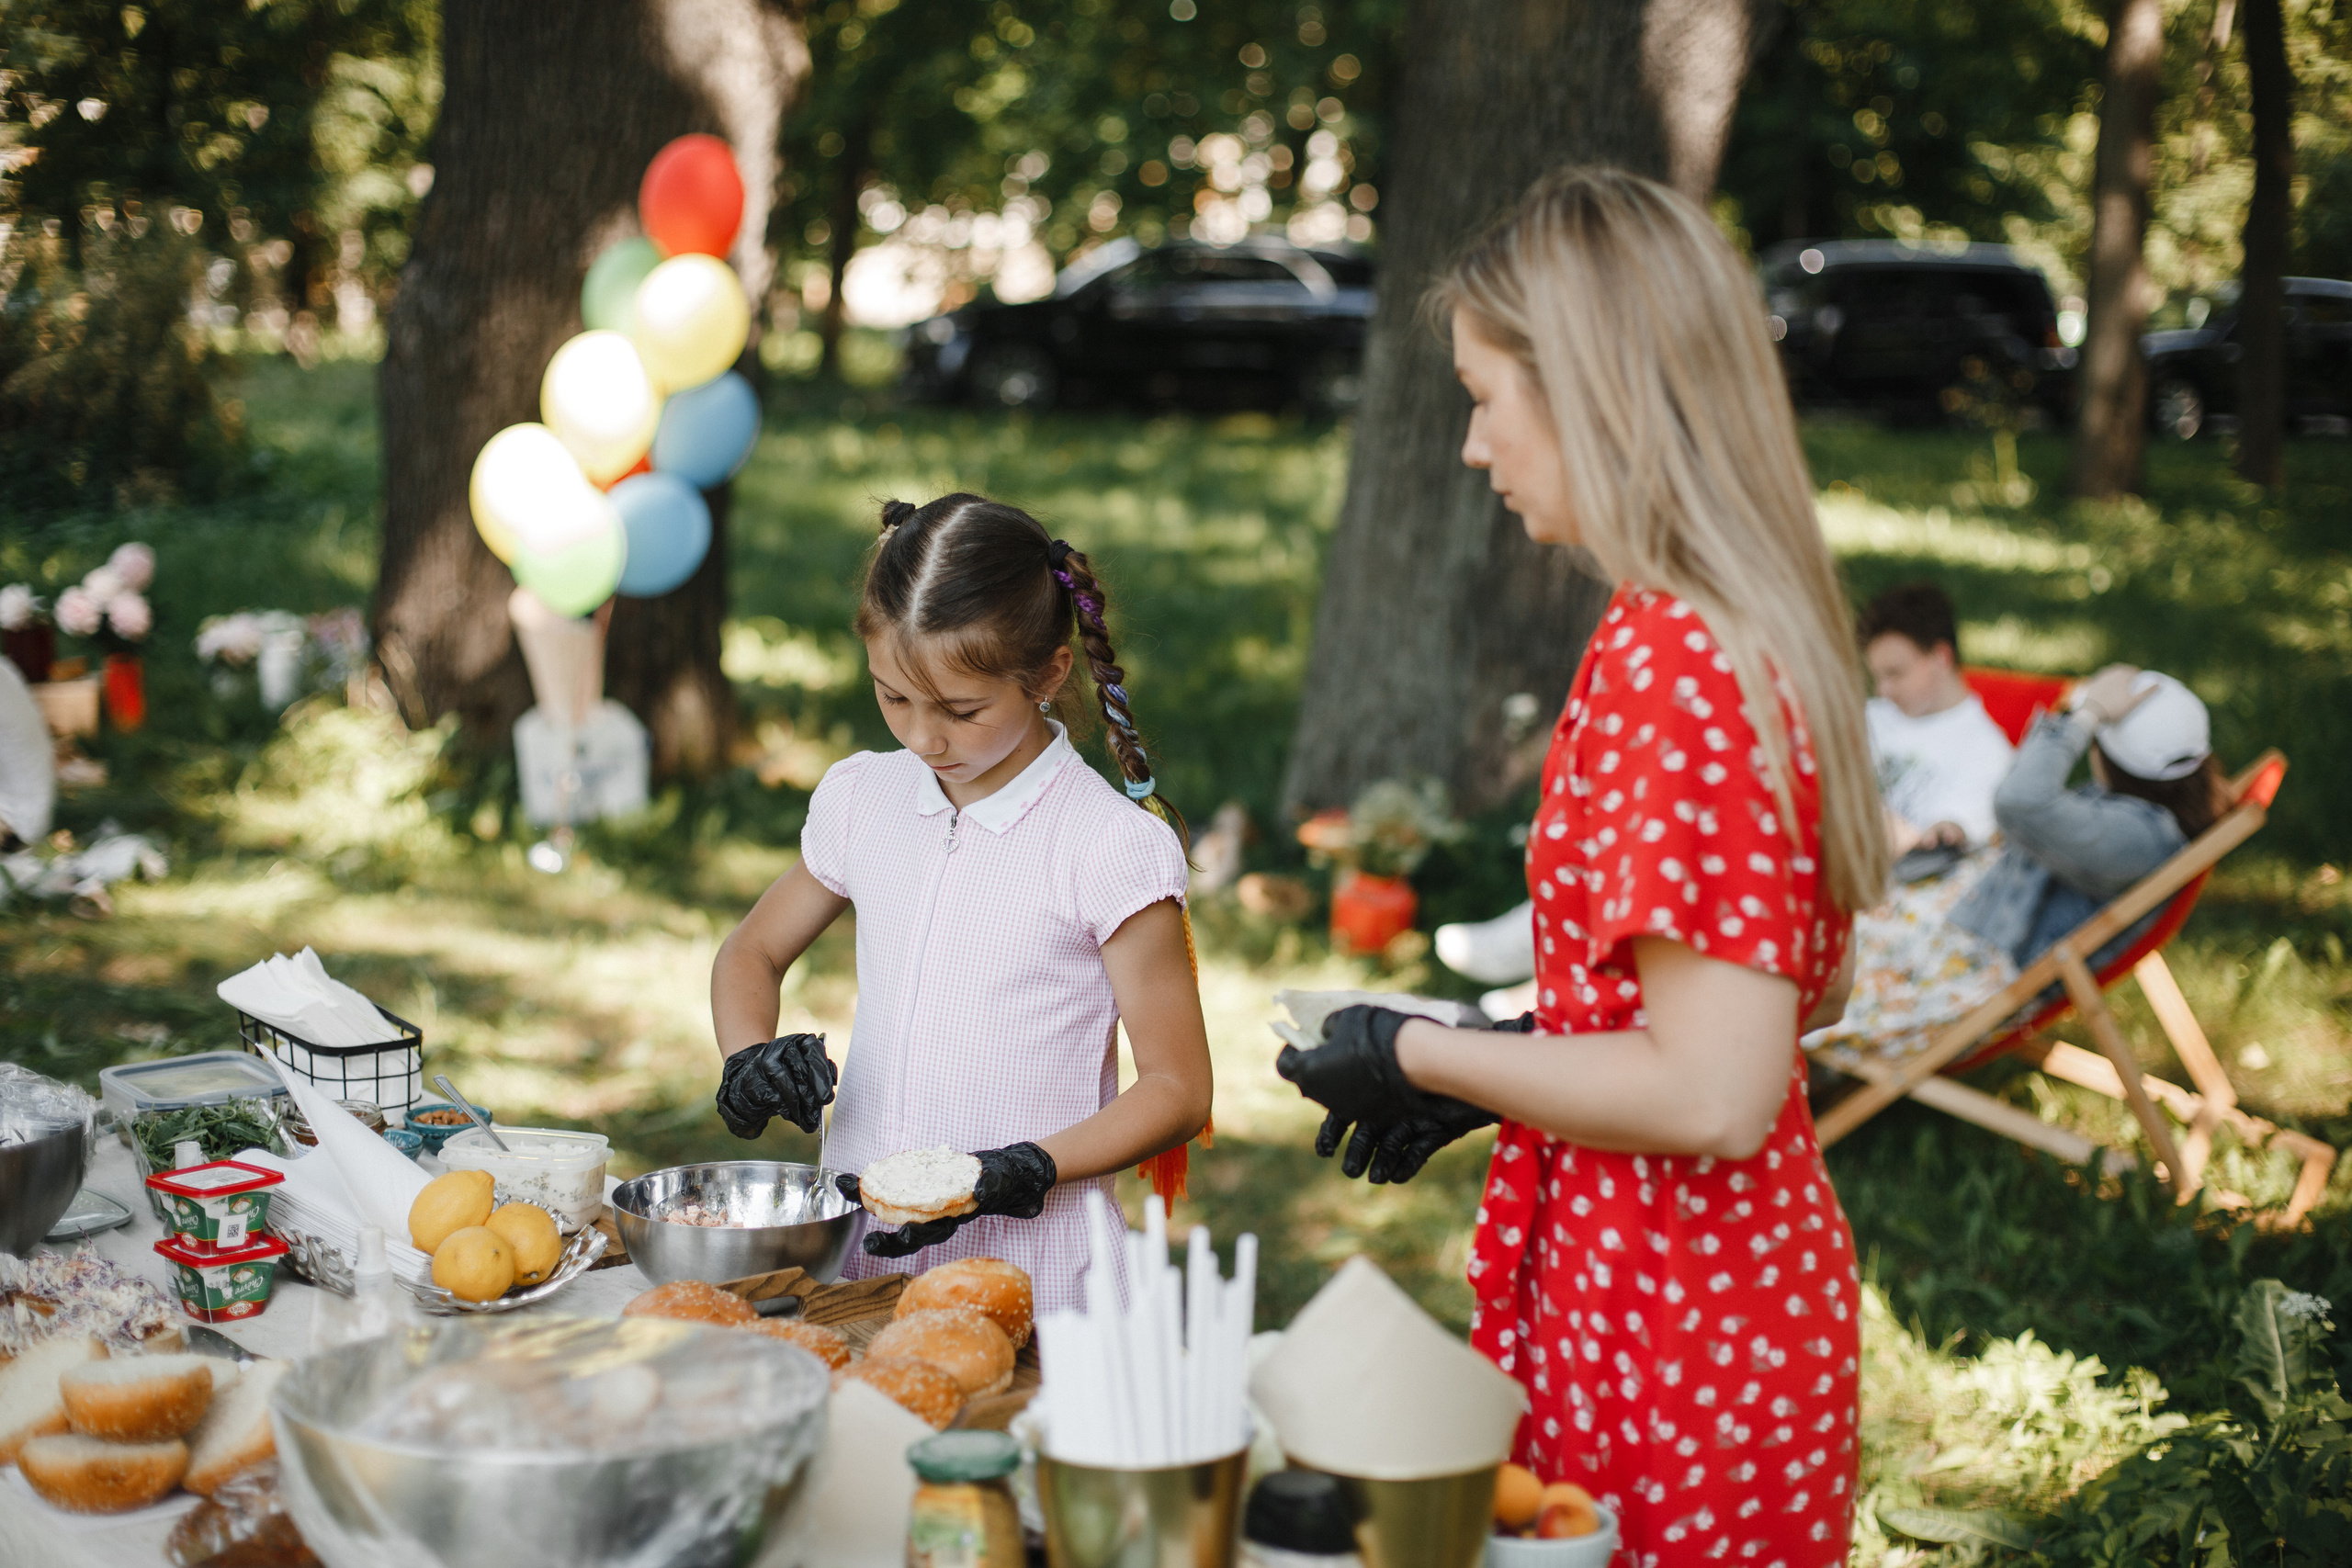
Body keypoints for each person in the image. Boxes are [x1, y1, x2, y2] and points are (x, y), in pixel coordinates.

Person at [1271, 168, 1888, 1568]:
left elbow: (1717, 1091)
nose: (1476, 446)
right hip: (1682, 1301)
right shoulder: (1715, 624)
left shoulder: (1681, 660)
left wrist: (1427, 1051)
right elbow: (1785, 998)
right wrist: (1505, 1054)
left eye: (1489, 397)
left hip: (1681, 1336)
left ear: (1597, 391)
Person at [707, 494, 1214, 1310]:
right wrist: (745, 1056)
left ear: (1048, 672)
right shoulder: (863, 797)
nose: (923, 738)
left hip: (1039, 1272)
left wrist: (1025, 1167)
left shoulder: (1107, 846)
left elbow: (1178, 1088)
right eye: (893, 697)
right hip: (863, 1261)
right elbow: (751, 952)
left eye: (961, 709)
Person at [1808, 662, 2224, 1069]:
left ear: (2106, 757)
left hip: (1970, 959)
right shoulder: (2151, 813)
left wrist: (2086, 715)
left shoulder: (2135, 837)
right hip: (1969, 913)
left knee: (1813, 969)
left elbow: (2019, 800)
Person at [1857, 581, 2013, 854]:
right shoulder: (1871, 715)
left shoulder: (1986, 753)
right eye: (1877, 677)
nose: (1883, 690)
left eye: (1895, 673)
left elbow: (1942, 844)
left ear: (1940, 658)